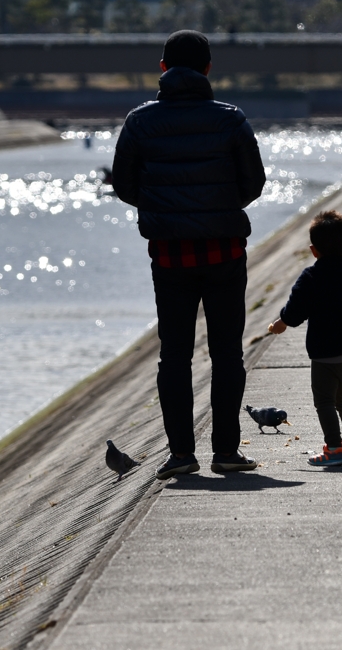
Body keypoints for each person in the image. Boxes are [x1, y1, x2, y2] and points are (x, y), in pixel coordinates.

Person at [111, 30, 267, 478]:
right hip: (224, 252)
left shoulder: (139, 122)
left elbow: (124, 185)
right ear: (208, 70)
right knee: (227, 354)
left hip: (169, 255)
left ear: (163, 69)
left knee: (174, 356)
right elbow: (253, 184)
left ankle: (181, 455)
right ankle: (226, 452)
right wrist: (217, 206)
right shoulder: (230, 119)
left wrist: (163, 205)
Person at [268, 201, 342, 467]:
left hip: (324, 356)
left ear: (313, 250)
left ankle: (334, 448)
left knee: (324, 401)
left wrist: (282, 321)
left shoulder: (311, 277)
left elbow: (296, 311)